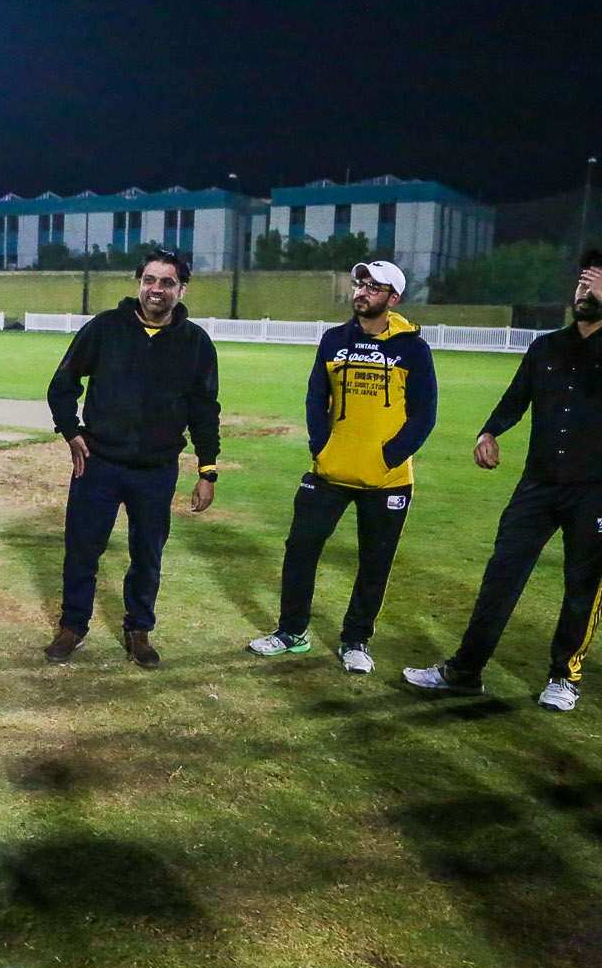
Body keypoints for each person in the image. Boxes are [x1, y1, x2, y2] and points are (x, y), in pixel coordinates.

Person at [405, 254, 602, 711]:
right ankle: (465, 672)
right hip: (538, 485)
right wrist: (488, 432)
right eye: (581, 283)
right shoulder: (545, 348)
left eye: (595, 285)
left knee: (583, 587)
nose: (585, 291)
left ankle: (563, 677)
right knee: (501, 576)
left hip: (594, 491)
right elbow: (515, 399)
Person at [248, 261, 437, 673]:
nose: (362, 291)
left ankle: (356, 641)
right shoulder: (334, 340)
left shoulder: (413, 348)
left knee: (374, 562)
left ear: (393, 298)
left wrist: (387, 457)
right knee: (300, 548)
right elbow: (316, 398)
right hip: (329, 471)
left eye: (374, 287)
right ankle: (291, 631)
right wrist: (322, 447)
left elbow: (424, 414)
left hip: (386, 480)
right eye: (360, 284)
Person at [44, 248, 220, 669]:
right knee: (82, 549)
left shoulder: (195, 342)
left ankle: (138, 630)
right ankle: (73, 626)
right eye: (149, 280)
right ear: (139, 283)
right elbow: (63, 383)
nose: (156, 289)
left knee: (147, 555)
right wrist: (70, 431)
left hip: (156, 470)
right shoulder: (105, 328)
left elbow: (204, 410)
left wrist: (207, 469)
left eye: (167, 282)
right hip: (99, 464)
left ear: (182, 289)